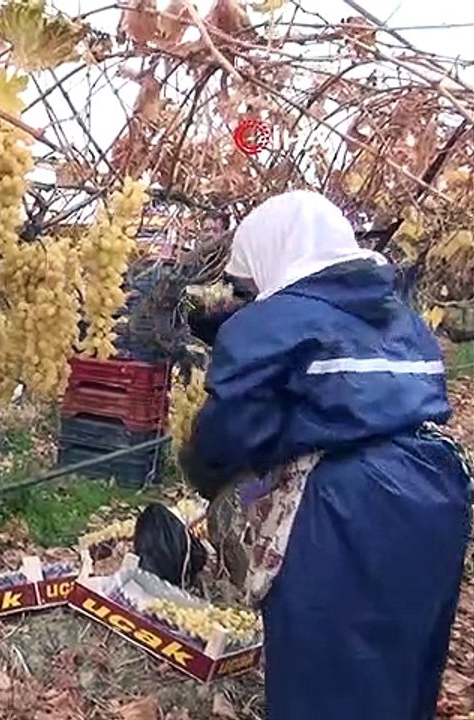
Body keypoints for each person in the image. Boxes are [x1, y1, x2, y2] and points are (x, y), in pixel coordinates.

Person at [178, 189, 472, 720]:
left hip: (346, 507)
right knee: (401, 667)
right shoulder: (402, 319)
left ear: (272, 254)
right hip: (435, 491)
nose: (248, 296)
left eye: (247, 285)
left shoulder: (268, 323)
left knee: (329, 677)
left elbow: (230, 432)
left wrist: (204, 471)